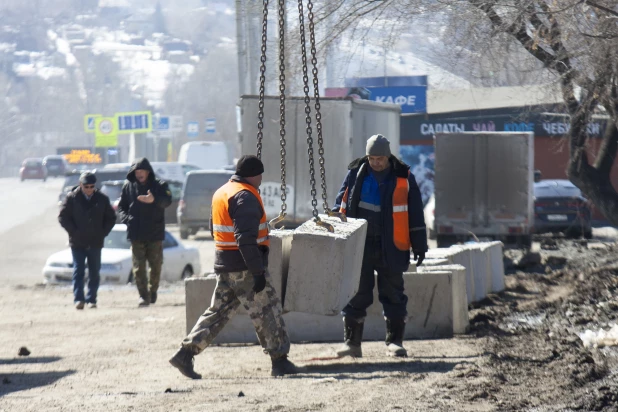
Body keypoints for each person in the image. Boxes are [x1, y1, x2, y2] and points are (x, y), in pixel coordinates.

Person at [169, 155, 297, 379]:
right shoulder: (245, 197)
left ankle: (185, 353)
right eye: (260, 175)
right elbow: (245, 239)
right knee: (268, 310)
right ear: (255, 175)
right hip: (245, 267)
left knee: (218, 313)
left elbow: (213, 228)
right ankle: (280, 361)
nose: (261, 180)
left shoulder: (223, 192)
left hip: (226, 265)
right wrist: (257, 272)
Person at [333, 134, 428, 358]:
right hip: (360, 244)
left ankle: (394, 343)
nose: (376, 162)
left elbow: (415, 214)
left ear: (388, 156)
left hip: (392, 245)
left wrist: (420, 246)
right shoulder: (355, 174)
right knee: (356, 293)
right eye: (372, 158)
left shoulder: (403, 177)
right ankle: (352, 344)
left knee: (393, 293)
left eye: (380, 158)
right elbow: (341, 204)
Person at [117, 158, 172, 307]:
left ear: (148, 172)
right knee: (138, 267)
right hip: (136, 233)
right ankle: (143, 295)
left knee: (155, 266)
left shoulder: (159, 185)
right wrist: (127, 219)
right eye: (137, 172)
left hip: (154, 233)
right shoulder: (128, 186)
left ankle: (152, 291)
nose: (139, 174)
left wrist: (154, 200)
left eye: (142, 171)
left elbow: (168, 201)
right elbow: (121, 207)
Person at [58, 172, 116, 310]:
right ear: (80, 185)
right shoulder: (72, 198)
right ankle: (79, 299)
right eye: (86, 186)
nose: (89, 189)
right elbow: (63, 217)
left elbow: (111, 218)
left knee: (94, 271)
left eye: (91, 186)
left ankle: (92, 299)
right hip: (78, 242)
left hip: (95, 241)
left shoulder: (101, 199)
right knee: (78, 270)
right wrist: (74, 231)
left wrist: (103, 232)